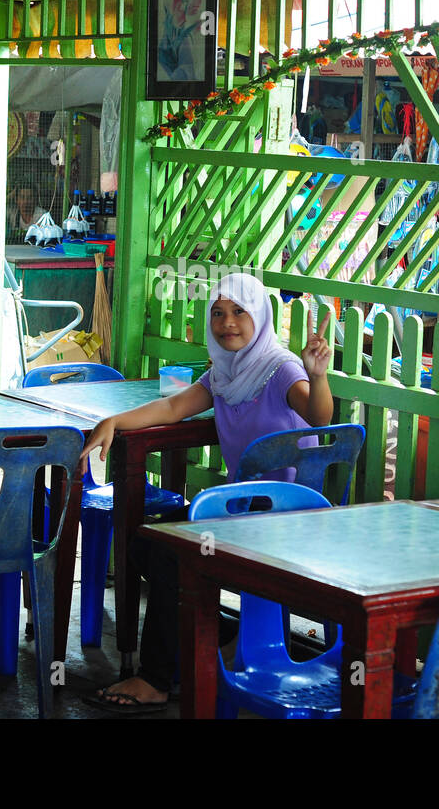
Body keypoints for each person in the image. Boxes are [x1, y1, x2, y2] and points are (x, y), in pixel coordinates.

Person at [78, 272, 333, 712]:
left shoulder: (280, 368)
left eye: (239, 312)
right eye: (218, 313)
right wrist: (114, 422)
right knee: (144, 543)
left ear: (260, 317)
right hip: (242, 513)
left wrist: (318, 374)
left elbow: (319, 414)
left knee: (166, 551)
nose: (227, 322)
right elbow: (173, 406)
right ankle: (226, 639)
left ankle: (158, 679)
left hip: (286, 517)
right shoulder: (224, 373)